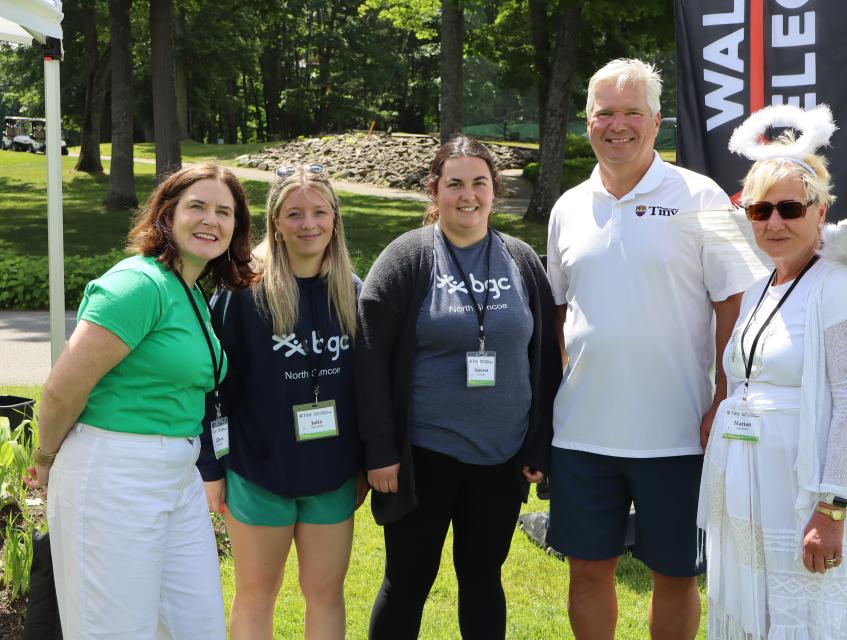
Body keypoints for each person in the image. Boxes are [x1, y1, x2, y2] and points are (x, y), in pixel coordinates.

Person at [545, 58, 765, 640]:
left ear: (657, 120)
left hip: (678, 434)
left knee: (675, 574)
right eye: (605, 113)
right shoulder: (568, 207)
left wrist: (723, 398)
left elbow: (734, 305)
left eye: (632, 112)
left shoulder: (702, 196)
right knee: (587, 570)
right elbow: (560, 311)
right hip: (582, 433)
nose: (618, 125)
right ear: (587, 121)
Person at [698, 104, 847, 638]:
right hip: (747, 489)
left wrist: (832, 508)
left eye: (790, 208)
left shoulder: (841, 288)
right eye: (760, 210)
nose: (774, 222)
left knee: (809, 620)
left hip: (804, 498)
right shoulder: (756, 290)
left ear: (820, 212)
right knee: (754, 617)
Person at [24, 163, 254, 639]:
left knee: (198, 628)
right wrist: (45, 458)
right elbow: (62, 388)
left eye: (224, 211)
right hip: (114, 473)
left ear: (235, 228)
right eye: (197, 206)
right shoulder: (138, 283)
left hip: (177, 474)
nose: (211, 219)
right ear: (166, 215)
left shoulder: (189, 292)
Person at [356, 135, 562, 640]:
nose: (467, 195)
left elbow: (544, 361)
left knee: (483, 580)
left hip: (501, 458)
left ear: (494, 190)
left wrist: (539, 442)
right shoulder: (406, 258)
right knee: (407, 583)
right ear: (435, 190)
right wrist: (381, 450)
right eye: (454, 184)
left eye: (479, 183)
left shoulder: (520, 259)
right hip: (424, 457)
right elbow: (368, 359)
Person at [197, 163, 367, 639]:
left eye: (319, 212)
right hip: (258, 472)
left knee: (326, 592)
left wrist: (364, 461)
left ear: (335, 219)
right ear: (275, 223)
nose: (308, 224)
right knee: (256, 593)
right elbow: (213, 386)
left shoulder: (353, 293)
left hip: (331, 474)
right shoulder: (244, 293)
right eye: (294, 214)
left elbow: (367, 390)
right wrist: (211, 468)